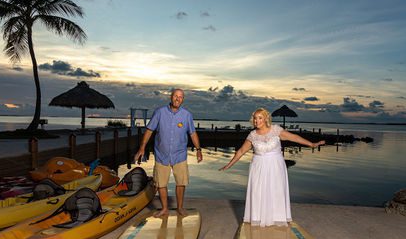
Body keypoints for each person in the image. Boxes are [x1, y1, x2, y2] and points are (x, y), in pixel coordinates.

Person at [219, 108, 325, 227]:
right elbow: (241, 151)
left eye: (260, 118)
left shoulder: (276, 130)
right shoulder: (252, 135)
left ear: (265, 119)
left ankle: (277, 217)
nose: (256, 120)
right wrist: (228, 165)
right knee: (258, 191)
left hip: (276, 165)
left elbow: (294, 137)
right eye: (255, 118)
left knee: (276, 189)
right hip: (258, 167)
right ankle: (258, 217)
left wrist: (311, 144)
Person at [134, 88, 203, 217]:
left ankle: (180, 207)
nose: (178, 98)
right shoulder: (159, 112)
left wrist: (198, 150)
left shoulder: (187, 115)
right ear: (171, 97)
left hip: (180, 155)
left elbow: (193, 133)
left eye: (181, 97)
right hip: (161, 154)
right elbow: (149, 130)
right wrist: (142, 147)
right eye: (176, 96)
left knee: (181, 183)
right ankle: (164, 208)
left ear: (183, 99)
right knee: (161, 184)